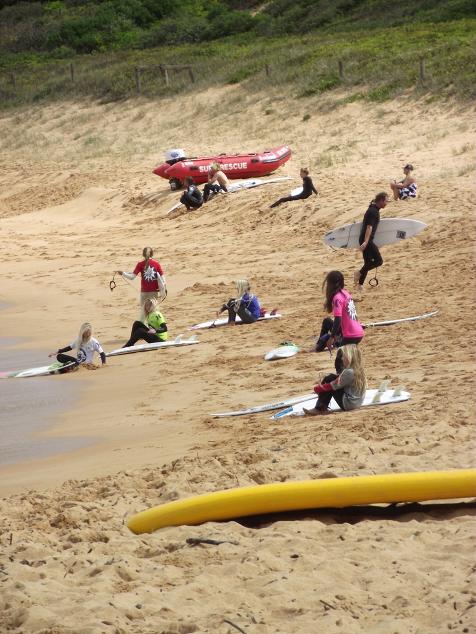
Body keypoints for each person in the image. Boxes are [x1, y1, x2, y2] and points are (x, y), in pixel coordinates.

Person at [315, 271, 364, 367]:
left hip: (350, 335)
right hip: (358, 332)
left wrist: (332, 337)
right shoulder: (346, 293)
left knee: (339, 363)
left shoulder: (337, 298)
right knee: (348, 360)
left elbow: (338, 319)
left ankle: (346, 377)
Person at [303, 344, 366, 416]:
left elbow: (332, 386)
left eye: (344, 356)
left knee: (329, 379)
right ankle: (321, 407)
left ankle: (319, 408)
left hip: (349, 404)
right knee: (332, 378)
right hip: (357, 403)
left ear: (350, 358)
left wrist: (318, 389)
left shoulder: (349, 372)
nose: (342, 358)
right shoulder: (359, 370)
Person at [115, 247, 166, 319]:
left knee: (143, 313)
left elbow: (132, 277)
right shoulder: (156, 264)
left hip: (144, 292)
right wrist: (163, 290)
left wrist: (123, 273)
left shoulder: (140, 264)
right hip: (154, 292)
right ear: (152, 254)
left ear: (143, 254)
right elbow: (163, 280)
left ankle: (143, 325)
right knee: (154, 312)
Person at [353, 192, 388, 292]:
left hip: (365, 239)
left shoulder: (372, 209)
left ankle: (359, 285)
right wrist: (365, 242)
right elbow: (369, 227)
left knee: (368, 262)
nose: (387, 203)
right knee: (379, 261)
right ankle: (359, 272)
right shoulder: (373, 211)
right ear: (380, 200)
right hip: (367, 240)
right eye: (386, 201)